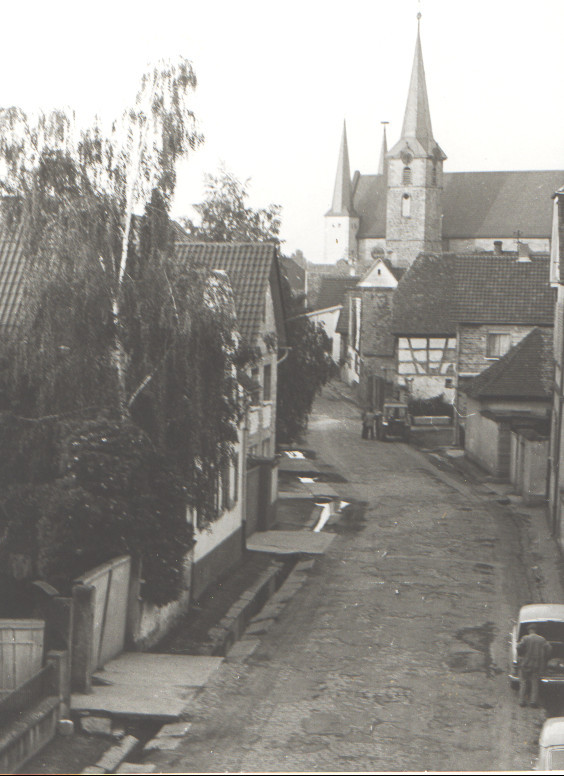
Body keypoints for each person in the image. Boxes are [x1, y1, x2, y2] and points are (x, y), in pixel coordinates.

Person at [517, 623, 552, 707]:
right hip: (536, 665)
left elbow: (518, 647)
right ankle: (533, 702)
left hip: (526, 664)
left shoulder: (525, 638)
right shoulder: (542, 639)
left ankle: (522, 701)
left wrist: (521, 655)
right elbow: (549, 648)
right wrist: (546, 658)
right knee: (535, 683)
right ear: (536, 630)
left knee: (523, 683)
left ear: (529, 630)